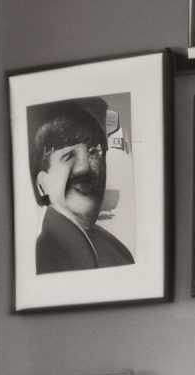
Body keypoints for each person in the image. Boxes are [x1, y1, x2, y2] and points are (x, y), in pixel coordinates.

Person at [29, 101, 134, 273]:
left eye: (93, 151)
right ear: (43, 183)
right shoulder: (44, 255)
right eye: (68, 156)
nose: (84, 168)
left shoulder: (115, 249)